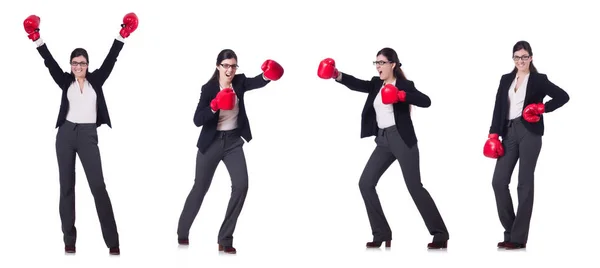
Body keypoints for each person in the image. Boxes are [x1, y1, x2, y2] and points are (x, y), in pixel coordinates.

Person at [23, 12, 139, 255]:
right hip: (65, 135)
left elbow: (111, 59)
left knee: (98, 186)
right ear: (71, 66)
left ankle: (113, 242)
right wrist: (36, 39)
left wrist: (122, 35)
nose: (78, 67)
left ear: (87, 65)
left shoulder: (97, 80)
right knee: (66, 186)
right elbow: (49, 63)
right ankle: (69, 240)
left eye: (82, 63)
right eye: (75, 63)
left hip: (87, 136)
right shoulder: (65, 82)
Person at [317, 47, 449, 249]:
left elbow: (426, 101)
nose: (378, 66)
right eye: (376, 63)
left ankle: (440, 234)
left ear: (392, 64)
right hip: (383, 140)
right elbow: (356, 84)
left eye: (381, 62)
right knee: (365, 183)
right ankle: (381, 233)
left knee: (414, 187)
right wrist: (337, 74)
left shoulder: (404, 84)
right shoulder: (375, 84)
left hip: (402, 139)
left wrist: (402, 95)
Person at [176, 49, 284, 254]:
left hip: (234, 141)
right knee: (200, 188)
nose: (230, 69)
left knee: (242, 184)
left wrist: (268, 75)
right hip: (212, 142)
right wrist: (215, 105)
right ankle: (182, 230)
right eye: (226, 65)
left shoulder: (239, 82)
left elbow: (257, 82)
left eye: (233, 65)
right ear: (218, 66)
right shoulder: (208, 88)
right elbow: (197, 120)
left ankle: (225, 238)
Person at [483, 40, 569, 249]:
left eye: (524, 56)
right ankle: (512, 231)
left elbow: (563, 96)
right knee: (498, 181)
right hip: (508, 132)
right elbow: (498, 107)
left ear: (531, 57)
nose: (520, 60)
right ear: (513, 59)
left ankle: (518, 238)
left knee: (524, 183)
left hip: (530, 132)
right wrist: (493, 133)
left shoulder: (539, 79)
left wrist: (542, 108)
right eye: (516, 57)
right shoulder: (506, 80)